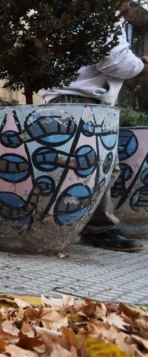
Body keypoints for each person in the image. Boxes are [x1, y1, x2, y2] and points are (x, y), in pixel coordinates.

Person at [42, 15, 148, 252]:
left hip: (70, 97)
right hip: (85, 101)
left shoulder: (77, 11)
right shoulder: (100, 13)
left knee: (87, 166)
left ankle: (85, 226)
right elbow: (114, 61)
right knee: (102, 167)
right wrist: (141, 67)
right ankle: (98, 230)